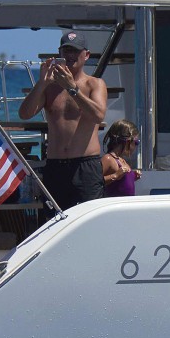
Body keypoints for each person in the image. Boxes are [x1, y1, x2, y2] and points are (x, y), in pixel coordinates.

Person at [18, 30, 108, 209]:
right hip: (55, 167)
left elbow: (98, 115)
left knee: (87, 222)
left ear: (86, 55)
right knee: (53, 222)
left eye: (75, 51)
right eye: (66, 51)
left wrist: (72, 88)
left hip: (85, 166)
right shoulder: (49, 87)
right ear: (59, 53)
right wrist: (42, 83)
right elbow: (25, 113)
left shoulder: (94, 84)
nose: (70, 55)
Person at [101, 120, 139, 197]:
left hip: (125, 207)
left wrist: (133, 176)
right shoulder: (108, 159)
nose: (136, 146)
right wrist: (115, 176)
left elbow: (121, 183)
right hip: (115, 207)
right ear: (127, 141)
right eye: (136, 142)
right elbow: (94, 182)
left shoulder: (122, 160)